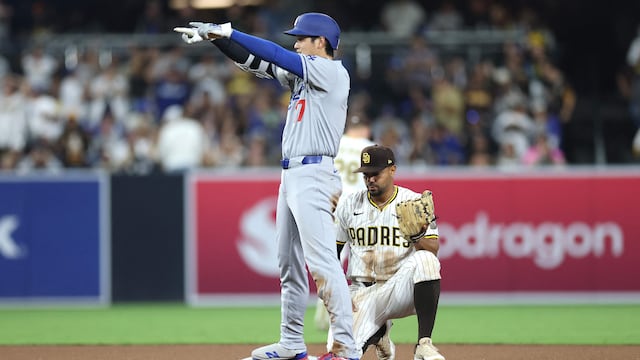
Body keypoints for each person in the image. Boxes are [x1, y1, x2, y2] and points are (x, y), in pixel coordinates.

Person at [175, 13, 359, 360]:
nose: (296, 42)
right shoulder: (305, 74)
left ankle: (347, 349)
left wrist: (230, 29)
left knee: (322, 264)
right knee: (289, 264)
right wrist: (219, 40)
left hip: (315, 174)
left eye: (302, 37)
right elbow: (255, 61)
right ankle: (291, 343)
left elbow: (276, 53)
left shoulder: (332, 71)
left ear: (321, 42)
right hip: (291, 175)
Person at [331, 145, 445, 360]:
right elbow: (332, 255)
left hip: (399, 289)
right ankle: (380, 333)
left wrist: (416, 238)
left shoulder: (413, 202)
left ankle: (424, 343)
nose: (370, 179)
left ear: (392, 170)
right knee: (342, 354)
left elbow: (434, 250)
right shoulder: (349, 204)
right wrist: (339, 294)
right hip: (360, 292)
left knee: (425, 260)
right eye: (366, 174)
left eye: (375, 173)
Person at [314, 114, 375, 331]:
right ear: (365, 129)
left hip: (333, 208)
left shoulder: (335, 143)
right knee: (363, 264)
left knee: (332, 261)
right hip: (359, 211)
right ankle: (362, 314)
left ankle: (326, 306)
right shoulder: (370, 148)